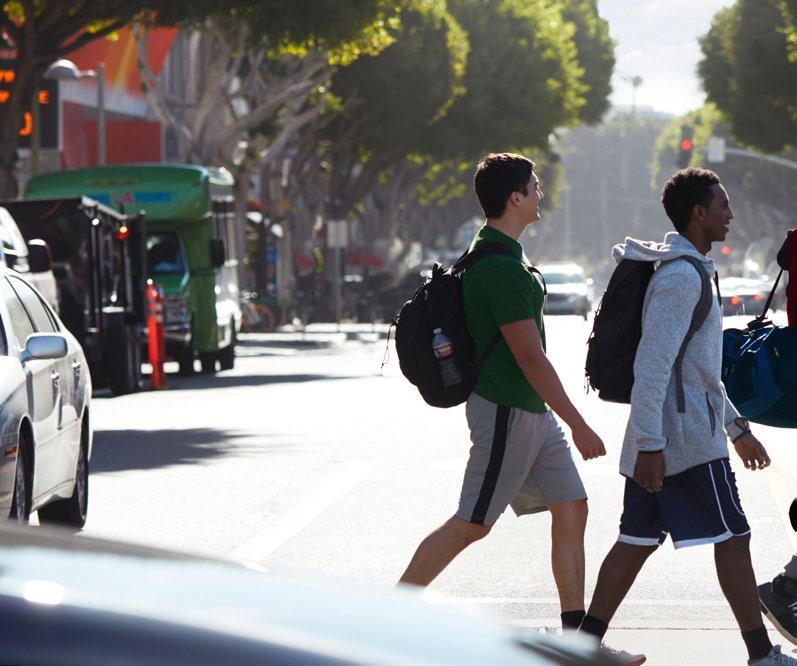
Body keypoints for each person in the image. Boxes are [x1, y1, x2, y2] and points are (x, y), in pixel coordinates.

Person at [398, 152, 639, 658]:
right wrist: (580, 424)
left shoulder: (503, 255)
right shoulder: (500, 269)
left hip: (530, 410)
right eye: (534, 186)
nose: (540, 193)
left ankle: (579, 643)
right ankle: (387, 618)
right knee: (472, 523)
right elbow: (530, 359)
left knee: (572, 507)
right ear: (515, 198)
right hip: (506, 407)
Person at [578, 167, 796, 665]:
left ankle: (584, 647)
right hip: (682, 442)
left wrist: (738, 429)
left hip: (671, 437)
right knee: (734, 538)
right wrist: (652, 443)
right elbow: (652, 364)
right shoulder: (681, 277)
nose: (730, 213)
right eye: (722, 204)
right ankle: (762, 655)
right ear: (699, 213)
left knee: (634, 542)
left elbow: (698, 372)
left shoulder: (690, 269)